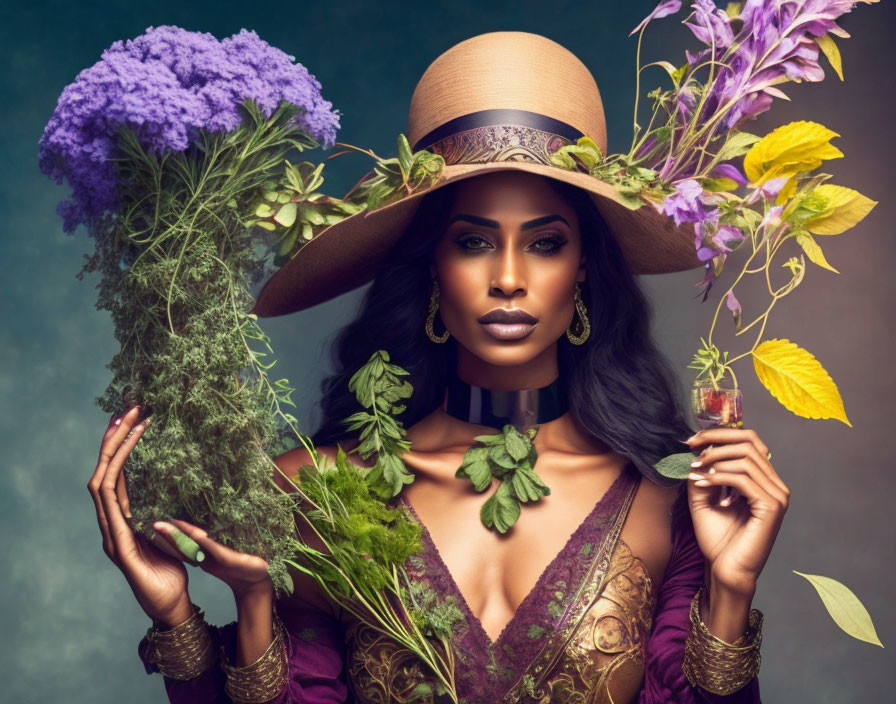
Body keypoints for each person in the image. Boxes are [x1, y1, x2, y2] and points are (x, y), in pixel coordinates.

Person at [87, 32, 789, 703]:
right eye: (475, 242)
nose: (509, 277)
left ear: (582, 273)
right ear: (431, 267)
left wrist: (730, 588)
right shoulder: (317, 493)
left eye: (544, 243)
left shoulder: (670, 505)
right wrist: (192, 615)